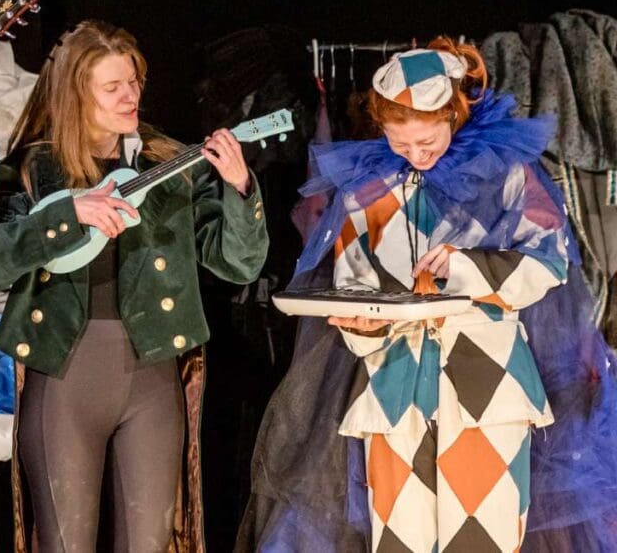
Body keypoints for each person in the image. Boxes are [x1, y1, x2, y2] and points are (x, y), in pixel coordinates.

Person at [236, 38, 617, 552]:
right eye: (401, 143)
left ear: (453, 114)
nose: (416, 154)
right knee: (399, 542)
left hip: (487, 384)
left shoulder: (505, 173)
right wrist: (363, 329)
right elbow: (354, 284)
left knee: (482, 542)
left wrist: (468, 266)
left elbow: (549, 259)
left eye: (427, 140)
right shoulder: (367, 189)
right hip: (395, 388)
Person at [0, 19, 269, 551]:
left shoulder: (169, 163)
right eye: (112, 87)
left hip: (152, 375)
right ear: (75, 94)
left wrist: (240, 188)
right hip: (65, 376)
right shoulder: (34, 168)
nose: (131, 96)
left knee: (151, 543)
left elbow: (238, 265)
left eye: (134, 81)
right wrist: (66, 217)